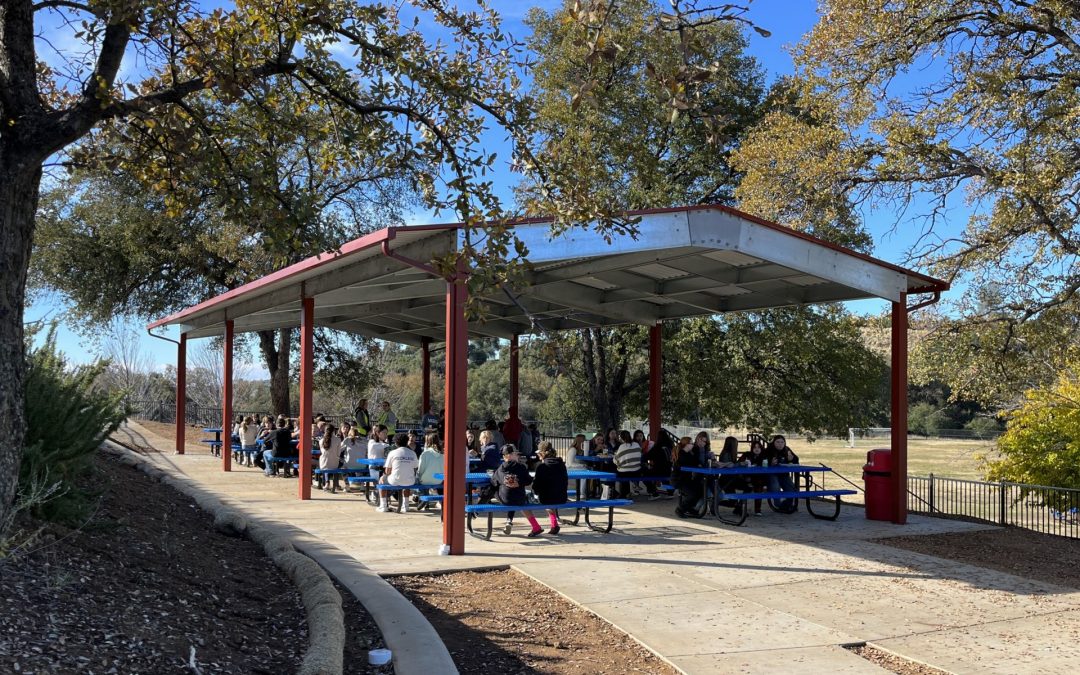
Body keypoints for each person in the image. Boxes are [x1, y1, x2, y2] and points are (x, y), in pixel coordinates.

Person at [491, 444, 542, 537]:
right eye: (516, 454)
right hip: (520, 498)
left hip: (505, 499)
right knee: (519, 498)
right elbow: (529, 481)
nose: (518, 456)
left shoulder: (500, 468)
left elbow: (494, 482)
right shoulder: (521, 467)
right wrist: (518, 483)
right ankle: (535, 526)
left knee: (495, 490)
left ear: (504, 456)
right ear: (510, 455)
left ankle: (477, 511)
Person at [531, 442, 568, 535]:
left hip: (546, 498)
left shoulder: (541, 466)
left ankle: (536, 526)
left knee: (523, 499)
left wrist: (534, 492)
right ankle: (554, 524)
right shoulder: (561, 464)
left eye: (539, 453)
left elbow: (535, 486)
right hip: (562, 497)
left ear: (542, 453)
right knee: (551, 492)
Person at [378, 433, 419, 513]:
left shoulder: (392, 453)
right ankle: (406, 506)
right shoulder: (412, 453)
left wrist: (384, 476)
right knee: (407, 477)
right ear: (407, 442)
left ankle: (383, 506)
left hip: (394, 480)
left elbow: (387, 471)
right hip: (409, 481)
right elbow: (415, 467)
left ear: (396, 443)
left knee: (381, 480)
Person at [738, 438, 771, 516]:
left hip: (760, 478)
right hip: (747, 477)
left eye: (758, 447)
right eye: (754, 447)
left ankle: (757, 510)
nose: (756, 449)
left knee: (759, 485)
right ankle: (739, 507)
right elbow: (739, 462)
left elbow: (766, 467)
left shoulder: (764, 456)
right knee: (748, 486)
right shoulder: (747, 454)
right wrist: (744, 463)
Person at [672, 437, 703, 518]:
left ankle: (689, 508)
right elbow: (691, 463)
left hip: (686, 480)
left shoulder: (688, 453)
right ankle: (680, 509)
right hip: (679, 480)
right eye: (691, 444)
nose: (693, 445)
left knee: (700, 490)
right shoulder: (682, 454)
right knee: (693, 494)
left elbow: (695, 461)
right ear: (686, 445)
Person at [769, 434, 800, 514]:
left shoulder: (787, 449)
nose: (780, 444)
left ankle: (787, 505)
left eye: (782, 442)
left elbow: (796, 460)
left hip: (784, 475)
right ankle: (778, 505)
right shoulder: (769, 450)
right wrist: (770, 463)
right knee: (775, 486)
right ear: (774, 442)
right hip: (772, 475)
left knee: (792, 489)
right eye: (778, 442)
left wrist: (792, 459)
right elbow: (762, 462)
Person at [642, 431, 672, 500]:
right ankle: (670, 492)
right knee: (665, 475)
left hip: (658, 470)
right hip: (669, 470)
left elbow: (646, 457)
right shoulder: (670, 447)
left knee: (644, 475)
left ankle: (654, 493)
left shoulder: (657, 447)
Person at [613, 430, 642, 498]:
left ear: (621, 438)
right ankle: (627, 493)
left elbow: (616, 460)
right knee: (625, 470)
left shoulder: (622, 446)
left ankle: (624, 494)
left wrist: (614, 457)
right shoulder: (636, 444)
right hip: (636, 471)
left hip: (625, 472)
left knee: (620, 471)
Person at [417, 432, 444, 502]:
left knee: (415, 480)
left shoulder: (425, 454)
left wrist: (418, 477)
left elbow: (420, 470)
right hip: (439, 480)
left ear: (427, 442)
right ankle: (430, 494)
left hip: (425, 480)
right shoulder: (443, 454)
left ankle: (422, 496)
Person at [318, 424, 343, 491]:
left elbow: (322, 452)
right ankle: (336, 484)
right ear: (333, 431)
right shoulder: (338, 440)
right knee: (338, 464)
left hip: (323, 464)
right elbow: (338, 454)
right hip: (334, 464)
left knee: (325, 464)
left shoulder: (321, 441)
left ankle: (326, 482)